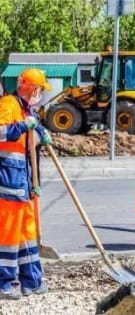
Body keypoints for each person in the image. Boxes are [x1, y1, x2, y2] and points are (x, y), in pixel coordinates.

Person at [0, 68, 52, 299]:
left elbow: (30, 144)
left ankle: (31, 281)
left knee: (27, 234)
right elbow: (2, 133)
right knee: (8, 235)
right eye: (39, 89)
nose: (40, 94)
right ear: (30, 88)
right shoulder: (9, 104)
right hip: (7, 181)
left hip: (23, 184)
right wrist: (24, 126)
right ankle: (3, 283)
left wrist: (41, 133)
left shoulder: (27, 111)